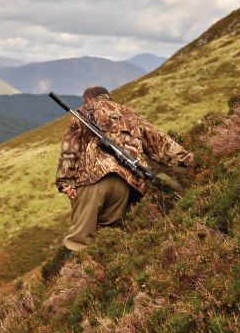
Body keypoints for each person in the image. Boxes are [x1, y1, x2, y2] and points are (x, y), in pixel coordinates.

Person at [56, 86, 193, 259]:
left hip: (93, 179)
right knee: (107, 237)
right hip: (127, 185)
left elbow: (69, 149)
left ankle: (73, 281)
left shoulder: (83, 113)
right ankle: (103, 278)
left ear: (89, 100)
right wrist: (189, 160)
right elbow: (161, 144)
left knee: (79, 241)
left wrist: (65, 183)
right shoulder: (131, 114)